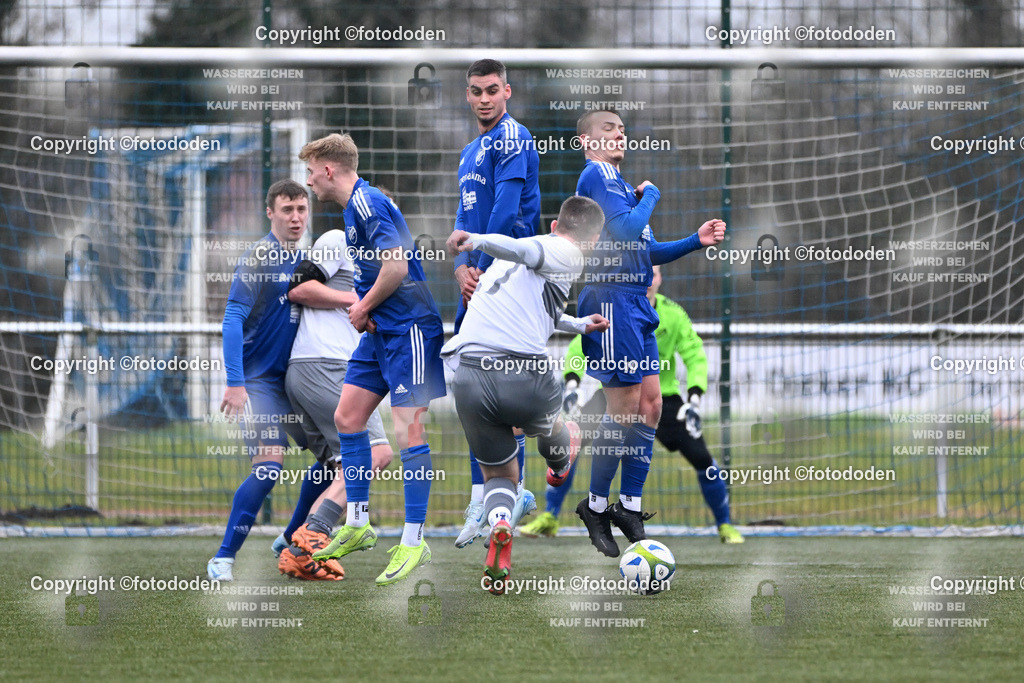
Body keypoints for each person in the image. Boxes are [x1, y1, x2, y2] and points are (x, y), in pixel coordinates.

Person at [573, 110, 726, 557]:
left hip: (635, 304)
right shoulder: (598, 173)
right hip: (610, 300)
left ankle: (629, 505)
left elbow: (643, 248)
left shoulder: (621, 186)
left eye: (622, 129)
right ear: (587, 140)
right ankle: (596, 505)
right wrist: (652, 196)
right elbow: (623, 232)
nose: (619, 133)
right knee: (621, 411)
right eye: (609, 128)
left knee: (652, 405)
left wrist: (694, 241)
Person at [441, 195, 608, 594]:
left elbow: (539, 310)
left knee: (500, 474)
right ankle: (562, 450)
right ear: (592, 239)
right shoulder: (565, 250)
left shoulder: (507, 267)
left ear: (554, 223)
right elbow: (527, 249)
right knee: (552, 429)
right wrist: (477, 239)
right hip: (522, 372)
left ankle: (500, 522)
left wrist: (580, 324)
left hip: (468, 376)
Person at [299, 133, 446, 586]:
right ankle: (359, 522)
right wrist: (366, 307)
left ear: (328, 169)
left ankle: (414, 540)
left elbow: (397, 266)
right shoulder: (352, 210)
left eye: (310, 171)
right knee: (348, 417)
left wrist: (361, 307)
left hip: (411, 332)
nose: (308, 182)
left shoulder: (368, 204)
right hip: (381, 335)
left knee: (407, 430)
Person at [520, 265, 744, 544]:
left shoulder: (673, 315)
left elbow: (695, 354)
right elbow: (581, 343)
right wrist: (572, 383)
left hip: (661, 398)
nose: (649, 278)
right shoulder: (614, 308)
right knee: (571, 442)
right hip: (616, 392)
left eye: (656, 273)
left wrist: (695, 398)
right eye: (645, 272)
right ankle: (552, 516)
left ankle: (725, 524)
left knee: (701, 457)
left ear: (661, 279)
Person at [452, 58, 542, 548]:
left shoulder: (515, 136)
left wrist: (481, 269)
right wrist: (461, 270)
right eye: (475, 91)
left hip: (510, 274)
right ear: (467, 95)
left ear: (507, 91)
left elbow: (506, 213)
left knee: (504, 388)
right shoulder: (468, 152)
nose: (484, 99)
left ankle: (514, 488)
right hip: (480, 274)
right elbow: (465, 222)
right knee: (473, 389)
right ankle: (484, 495)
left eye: (492, 90)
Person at [273, 224, 396, 579]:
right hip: (325, 365)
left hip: (320, 369)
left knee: (343, 469)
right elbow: (298, 287)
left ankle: (298, 552)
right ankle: (313, 532)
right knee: (376, 454)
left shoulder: (380, 263)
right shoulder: (339, 239)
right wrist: (355, 300)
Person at [207, 179, 313, 582]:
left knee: (335, 460)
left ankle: (289, 538)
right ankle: (223, 558)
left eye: (301, 209)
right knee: (270, 467)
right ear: (270, 213)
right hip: (259, 383)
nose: (296, 217)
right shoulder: (259, 257)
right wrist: (236, 383)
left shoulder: (306, 260)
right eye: (287, 210)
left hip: (296, 383)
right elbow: (232, 319)